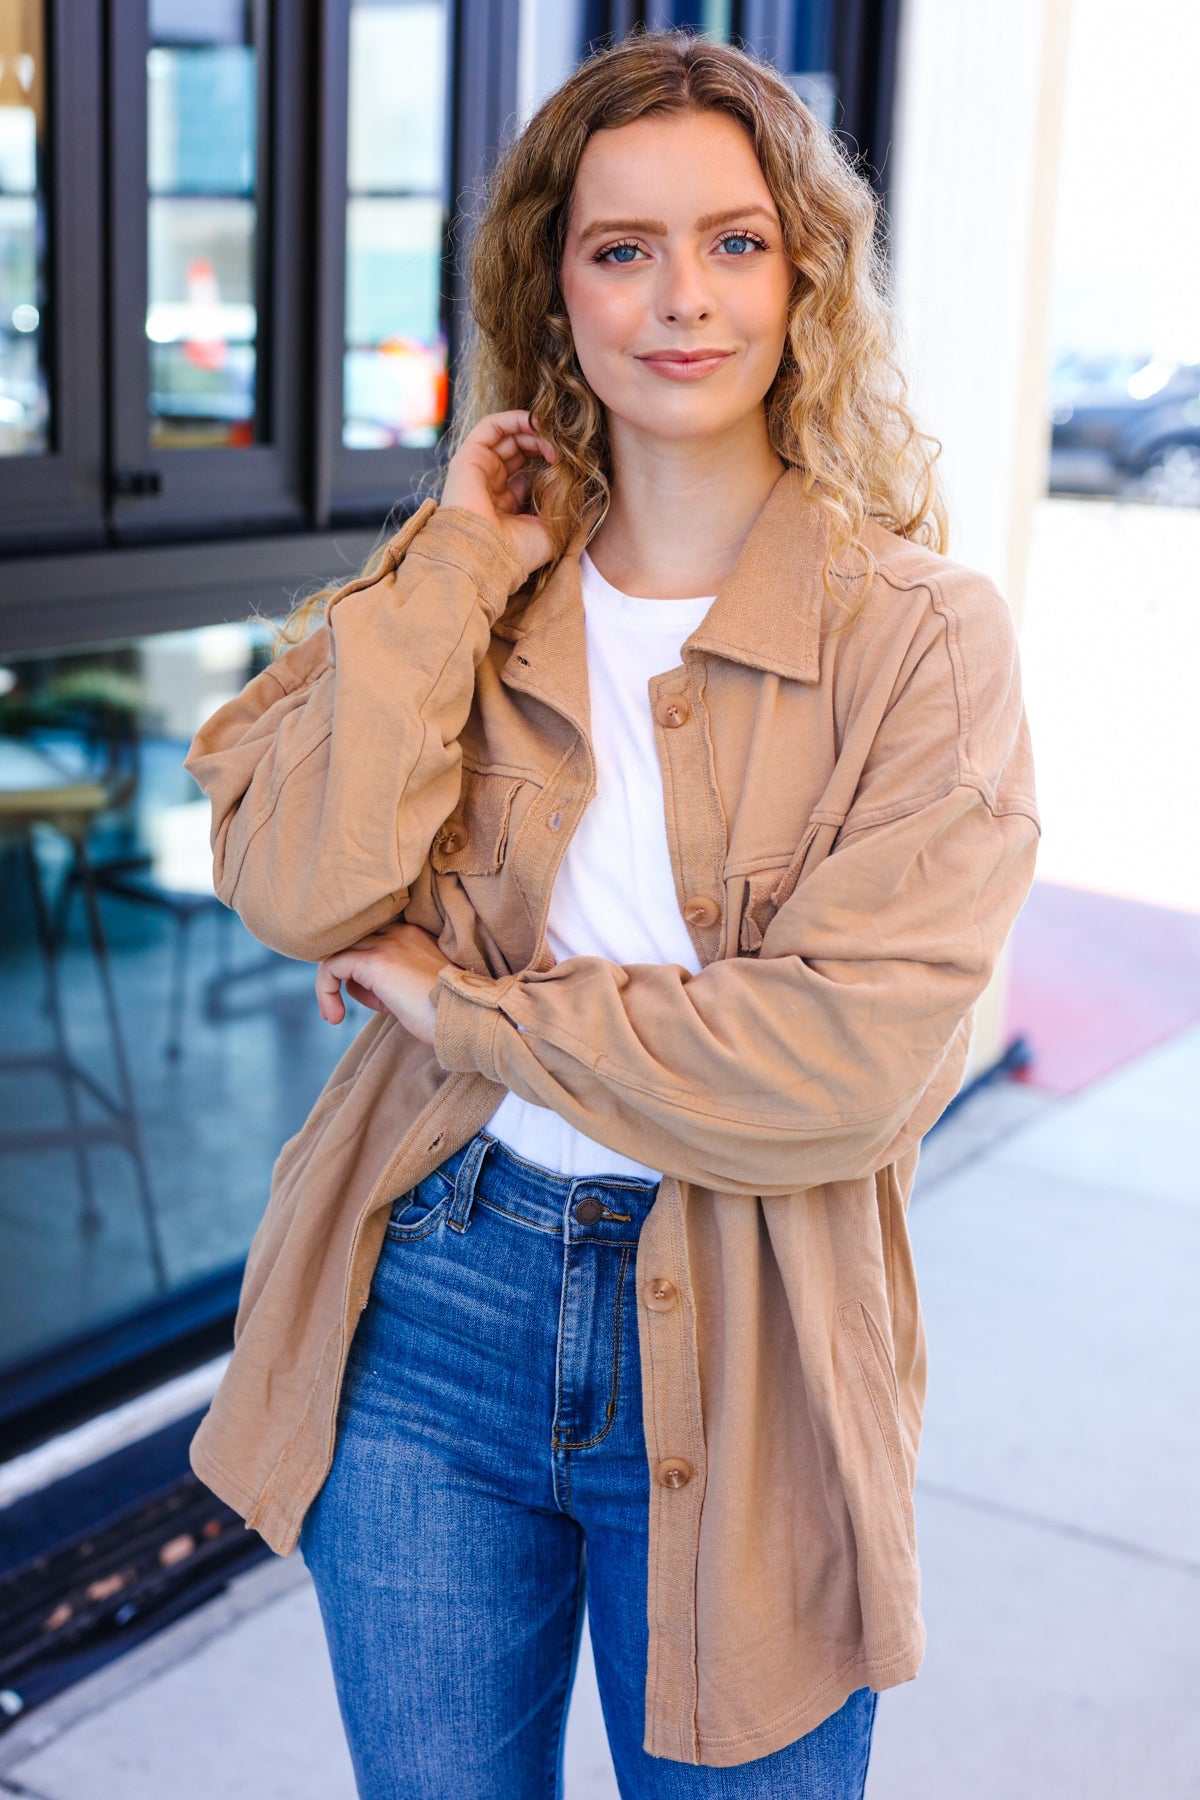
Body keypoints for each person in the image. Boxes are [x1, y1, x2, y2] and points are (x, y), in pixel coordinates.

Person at [182, 28, 1039, 1800]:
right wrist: (461, 555)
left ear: (807, 275)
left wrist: (460, 1005)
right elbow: (294, 884)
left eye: (733, 241)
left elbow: (842, 1066)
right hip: (429, 1304)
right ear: (549, 283)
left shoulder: (920, 635)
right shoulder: (466, 588)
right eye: (620, 246)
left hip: (754, 1329)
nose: (681, 298)